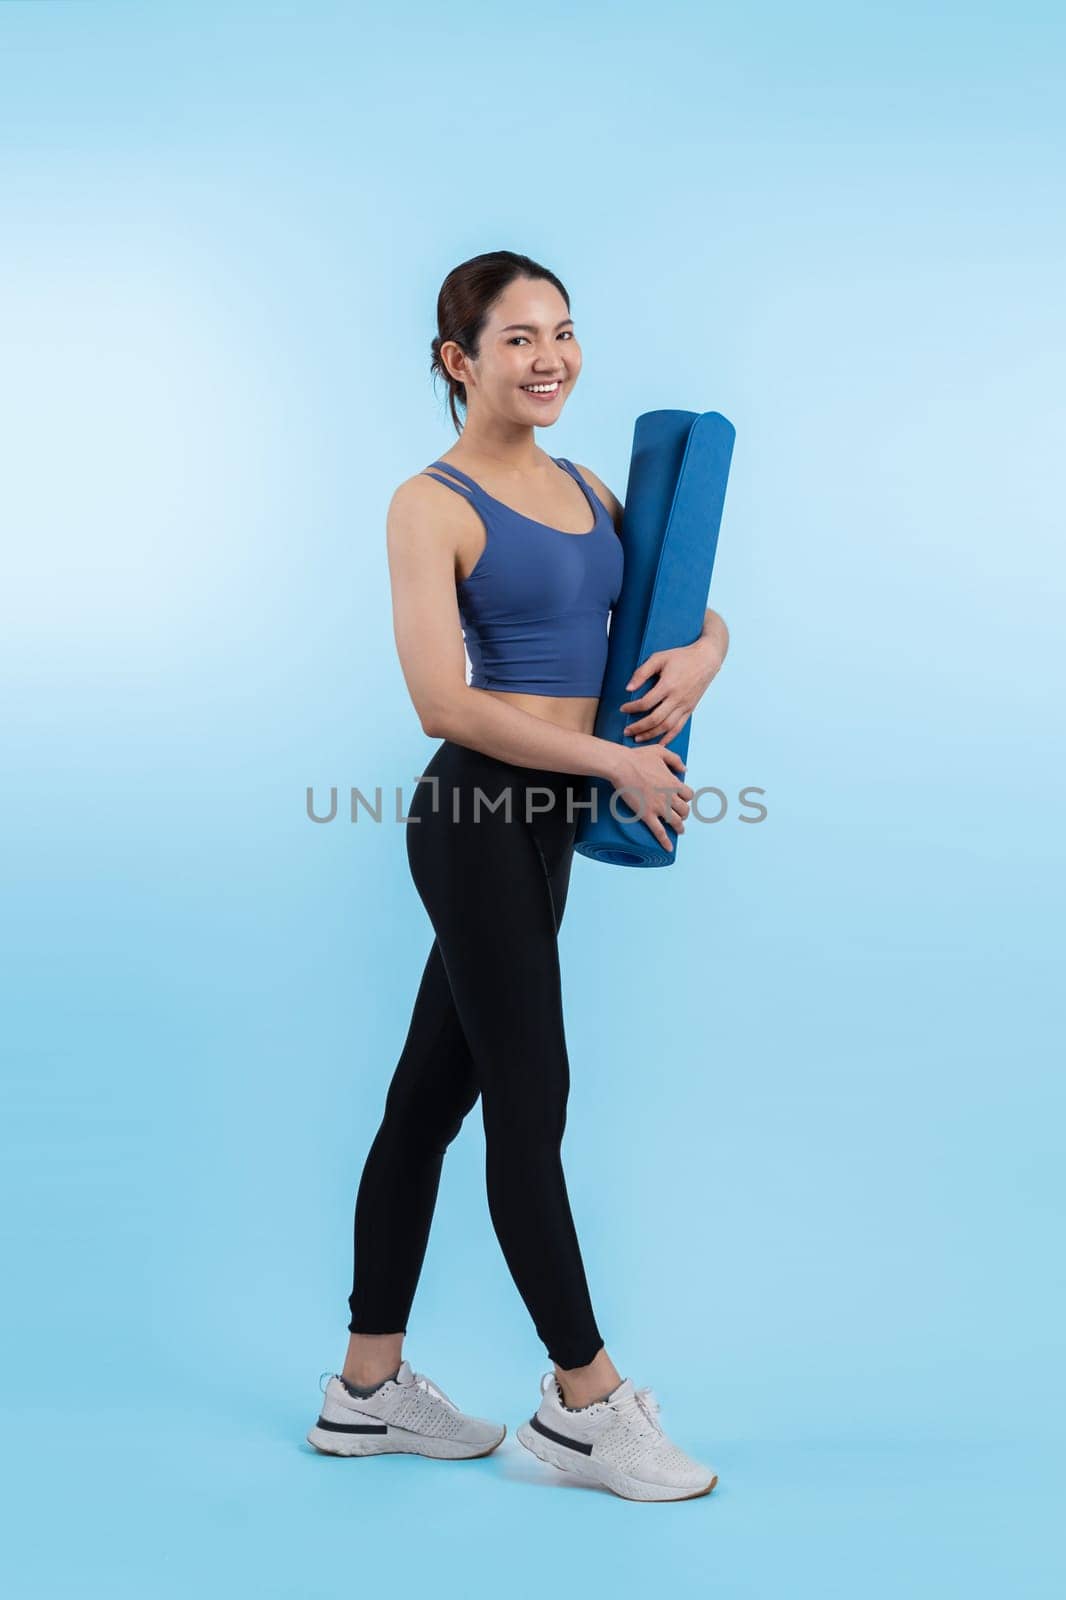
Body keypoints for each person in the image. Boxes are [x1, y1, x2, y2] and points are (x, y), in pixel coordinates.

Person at [306, 250, 730, 1502]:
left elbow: (672, 609)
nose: (549, 358)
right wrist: (613, 755)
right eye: (516, 340)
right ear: (459, 361)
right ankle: (584, 1402)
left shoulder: (588, 485)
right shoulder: (428, 502)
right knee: (528, 1103)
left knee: (428, 1102)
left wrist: (708, 651)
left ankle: (364, 1390)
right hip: (477, 810)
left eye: (563, 332)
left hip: (549, 821)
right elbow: (445, 698)